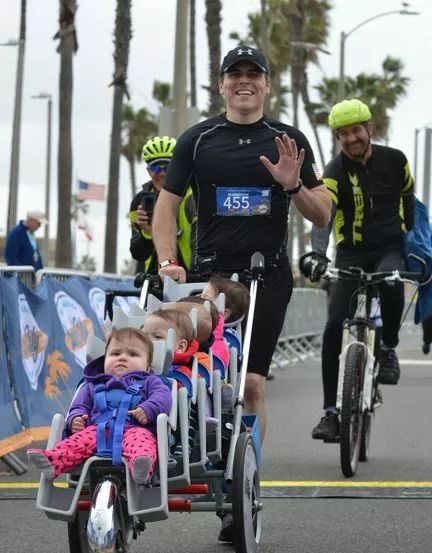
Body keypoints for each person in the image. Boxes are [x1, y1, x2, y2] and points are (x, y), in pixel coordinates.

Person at [151, 45, 331, 444]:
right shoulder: (197, 140)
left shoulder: (289, 140)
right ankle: (199, 456)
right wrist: (167, 260)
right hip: (209, 277)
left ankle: (246, 479)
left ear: (267, 84)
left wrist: (293, 185)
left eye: (254, 73)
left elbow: (322, 214)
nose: (244, 80)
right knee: (196, 375)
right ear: (222, 85)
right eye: (236, 74)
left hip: (267, 277)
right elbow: (166, 206)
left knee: (251, 384)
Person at [303, 99, 415, 442]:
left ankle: (389, 347)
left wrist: (412, 241)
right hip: (350, 252)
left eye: (356, 130)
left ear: (369, 128)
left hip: (389, 247)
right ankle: (330, 413)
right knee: (334, 324)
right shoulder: (333, 170)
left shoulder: (396, 160)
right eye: (343, 134)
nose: (350, 138)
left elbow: (409, 197)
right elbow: (323, 215)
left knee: (393, 282)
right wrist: (319, 254)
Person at [26, 328, 172, 486]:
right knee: (76, 442)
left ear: (148, 367)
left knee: (142, 443)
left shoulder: (151, 381)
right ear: (104, 361)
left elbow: (163, 397)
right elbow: (78, 406)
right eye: (115, 354)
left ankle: (142, 467)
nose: (122, 358)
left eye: (133, 354)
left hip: (135, 428)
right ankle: (53, 462)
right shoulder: (92, 385)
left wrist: (149, 408)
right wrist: (75, 419)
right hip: (98, 430)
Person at [129, 136, 197, 273]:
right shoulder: (140, 201)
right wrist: (147, 232)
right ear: (148, 171)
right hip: (155, 278)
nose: (162, 173)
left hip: (190, 277)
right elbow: (138, 254)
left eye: (168, 167)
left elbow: (199, 242)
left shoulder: (192, 196)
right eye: (155, 168)